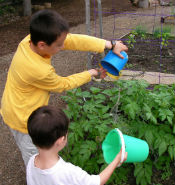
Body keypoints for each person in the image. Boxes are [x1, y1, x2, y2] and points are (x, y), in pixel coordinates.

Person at [0, 9, 128, 167]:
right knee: (35, 159)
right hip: (23, 117)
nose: (63, 46)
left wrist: (109, 44)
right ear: (42, 45)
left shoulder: (30, 40)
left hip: (17, 102)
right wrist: (91, 73)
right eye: (59, 45)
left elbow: (72, 40)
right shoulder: (37, 70)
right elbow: (63, 85)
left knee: (42, 154)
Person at [27, 105, 127, 185]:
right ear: (61, 140)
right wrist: (117, 160)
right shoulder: (68, 172)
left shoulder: (31, 162)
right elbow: (97, 183)